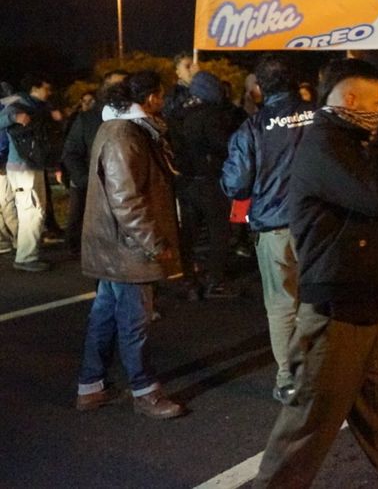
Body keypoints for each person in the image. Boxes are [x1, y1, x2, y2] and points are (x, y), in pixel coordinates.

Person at [253, 61, 378, 488]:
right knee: (305, 431)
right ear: (350, 100)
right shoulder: (324, 144)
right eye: (377, 104)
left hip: (370, 304)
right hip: (336, 312)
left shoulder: (350, 142)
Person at [76, 70, 185, 419]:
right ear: (150, 97)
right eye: (161, 96)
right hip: (128, 247)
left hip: (114, 244)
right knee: (135, 321)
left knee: (105, 316)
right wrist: (155, 242)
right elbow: (126, 199)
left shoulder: (119, 128)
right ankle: (144, 390)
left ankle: (91, 387)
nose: (164, 102)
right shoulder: (126, 134)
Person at [221, 56, 314, 403]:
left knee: (281, 304)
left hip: (274, 226)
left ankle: (289, 376)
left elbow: (236, 184)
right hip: (318, 224)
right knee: (318, 298)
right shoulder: (319, 116)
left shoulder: (252, 128)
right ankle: (323, 366)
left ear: (259, 88)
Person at [176, 71, 244, 298]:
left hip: (186, 182)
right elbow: (224, 146)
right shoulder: (213, 115)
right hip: (211, 182)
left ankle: (189, 280)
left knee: (189, 234)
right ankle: (216, 280)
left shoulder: (180, 115)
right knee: (219, 233)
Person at [61, 70, 128, 256]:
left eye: (125, 84)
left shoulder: (135, 118)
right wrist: (84, 180)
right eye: (116, 85)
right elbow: (71, 152)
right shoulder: (88, 119)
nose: (121, 89)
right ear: (106, 89)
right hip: (94, 188)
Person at [0, 74, 59, 271]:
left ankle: (27, 253)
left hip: (33, 164)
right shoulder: (18, 102)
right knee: (31, 211)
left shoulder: (37, 105)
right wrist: (14, 117)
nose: (49, 92)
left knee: (36, 210)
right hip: (22, 166)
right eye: (46, 87)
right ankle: (26, 257)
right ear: (35, 87)